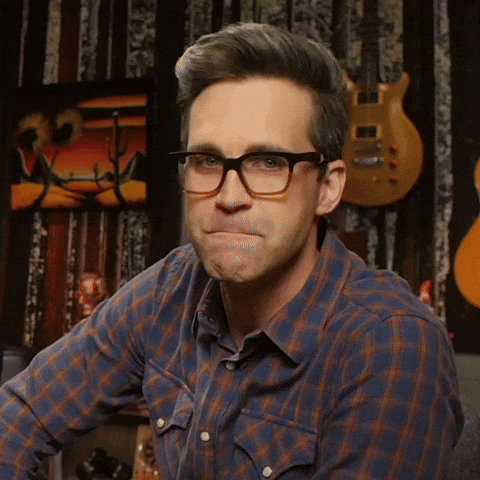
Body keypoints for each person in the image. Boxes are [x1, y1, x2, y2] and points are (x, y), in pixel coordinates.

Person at [0, 23, 463, 479]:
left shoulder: (391, 343)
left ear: (328, 188)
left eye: (269, 163)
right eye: (207, 160)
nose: (229, 196)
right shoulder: (170, 288)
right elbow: (19, 417)